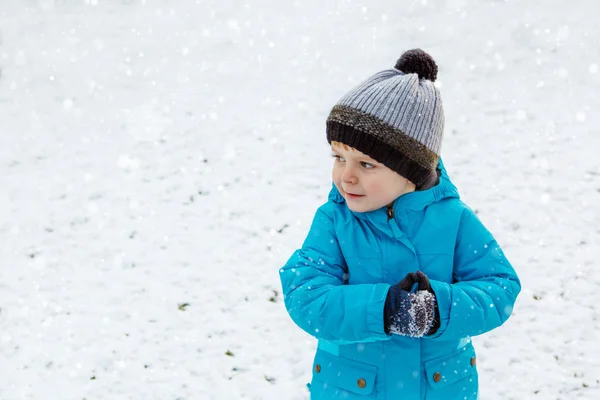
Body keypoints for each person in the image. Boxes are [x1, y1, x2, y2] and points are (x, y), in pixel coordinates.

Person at [279, 49, 521, 399]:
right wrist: (384, 309)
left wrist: (440, 308)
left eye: (366, 165)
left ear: (410, 173)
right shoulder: (334, 221)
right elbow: (306, 295)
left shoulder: (454, 220)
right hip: (354, 388)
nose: (346, 176)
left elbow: (500, 287)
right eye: (339, 157)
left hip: (437, 388)